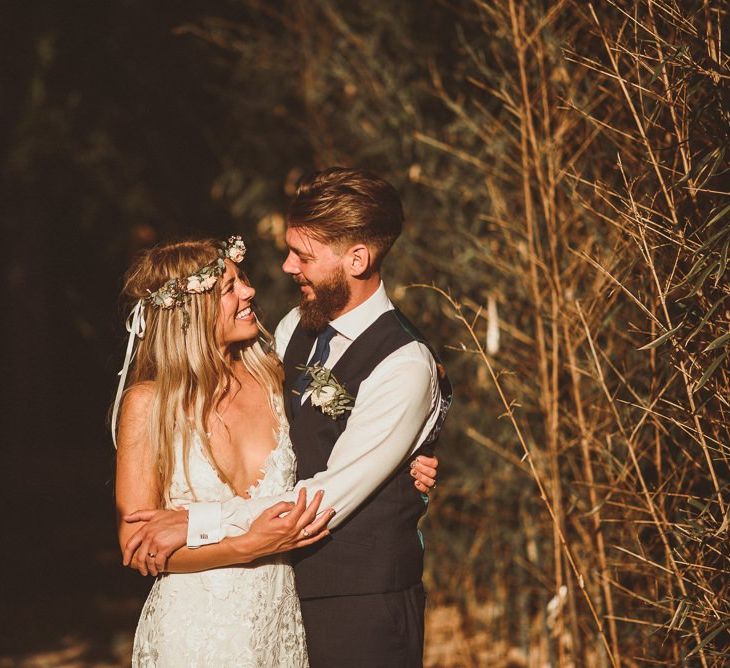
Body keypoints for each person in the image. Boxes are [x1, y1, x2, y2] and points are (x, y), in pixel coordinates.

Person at [123, 168, 451, 667]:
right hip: (273, 601)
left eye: (303, 255)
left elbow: (325, 497)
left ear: (356, 259)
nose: (285, 266)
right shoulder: (294, 326)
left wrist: (196, 522)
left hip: (360, 604)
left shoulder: (405, 365)